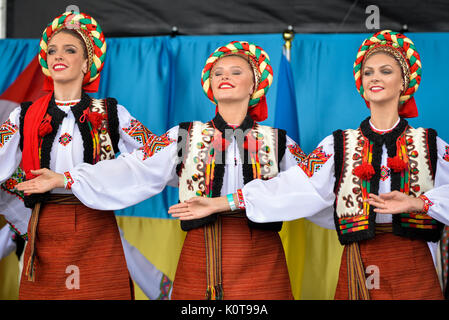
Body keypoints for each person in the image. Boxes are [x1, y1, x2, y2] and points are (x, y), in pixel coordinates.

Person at [16, 41, 315, 300]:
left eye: (236, 72)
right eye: (218, 72)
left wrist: (230, 202)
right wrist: (67, 178)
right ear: (209, 85)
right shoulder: (184, 136)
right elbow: (135, 168)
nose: (225, 76)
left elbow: (310, 184)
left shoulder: (276, 141)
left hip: (261, 255)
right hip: (202, 253)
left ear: (255, 85)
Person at [169, 30, 448, 300]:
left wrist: (420, 203)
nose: (374, 77)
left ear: (405, 82)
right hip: (359, 256)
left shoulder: (430, 143)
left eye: (385, 71)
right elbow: (295, 186)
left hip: (413, 260)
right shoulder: (337, 145)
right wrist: (223, 202)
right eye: (368, 72)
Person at [0, 11, 157, 299]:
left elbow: (156, 153)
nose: (58, 56)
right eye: (52, 50)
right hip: (45, 226)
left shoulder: (110, 113)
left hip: (95, 224)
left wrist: (201, 144)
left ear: (87, 63)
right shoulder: (22, 116)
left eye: (70, 50)